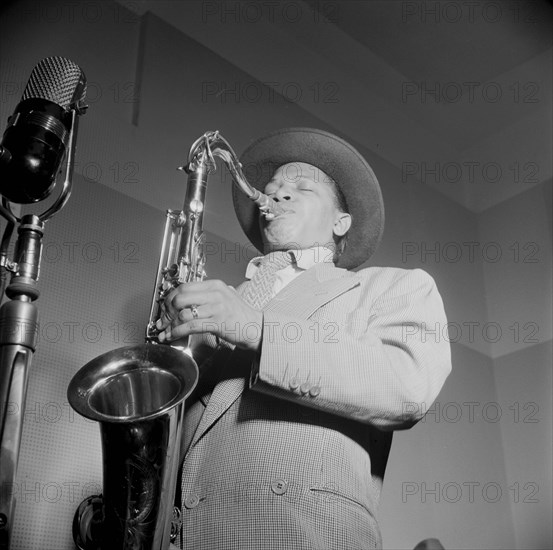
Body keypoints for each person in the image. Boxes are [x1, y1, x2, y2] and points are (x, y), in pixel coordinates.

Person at [157, 128, 452, 549]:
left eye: (301, 188)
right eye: (272, 189)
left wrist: (256, 328)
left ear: (340, 221)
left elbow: (407, 388)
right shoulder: (218, 309)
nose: (277, 195)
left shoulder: (391, 287)